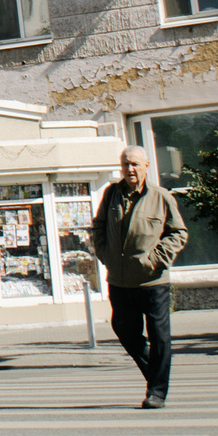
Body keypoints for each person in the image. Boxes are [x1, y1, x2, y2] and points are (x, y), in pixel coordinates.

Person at [91, 145, 188, 408]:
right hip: (119, 280)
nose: (129, 169)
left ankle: (156, 392)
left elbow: (177, 233)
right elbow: (98, 226)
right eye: (125, 164)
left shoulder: (161, 196)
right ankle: (156, 374)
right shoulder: (111, 194)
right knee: (124, 330)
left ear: (146, 165)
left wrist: (154, 260)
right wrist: (105, 255)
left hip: (152, 281)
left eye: (134, 164)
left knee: (159, 336)